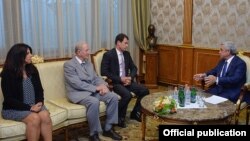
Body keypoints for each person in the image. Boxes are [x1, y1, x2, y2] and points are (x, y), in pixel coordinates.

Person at [63, 42, 122, 141]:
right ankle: (94, 134)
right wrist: (96, 88)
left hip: (92, 91)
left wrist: (104, 86)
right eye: (86, 50)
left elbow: (95, 78)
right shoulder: (69, 65)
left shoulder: (89, 63)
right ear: (78, 52)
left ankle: (108, 128)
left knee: (113, 97)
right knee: (94, 102)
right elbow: (77, 84)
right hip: (78, 93)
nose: (89, 52)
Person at [0, 43, 52, 141]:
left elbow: (39, 90)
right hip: (14, 108)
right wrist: (30, 108)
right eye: (28, 53)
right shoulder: (7, 74)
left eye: (30, 52)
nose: (31, 55)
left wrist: (40, 102)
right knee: (35, 119)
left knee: (45, 115)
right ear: (19, 56)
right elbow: (9, 99)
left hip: (34, 105)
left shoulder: (32, 69)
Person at [101, 33, 149, 128]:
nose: (127, 45)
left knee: (145, 90)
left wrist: (130, 77)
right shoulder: (109, 55)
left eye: (127, 43)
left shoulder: (127, 54)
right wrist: (120, 79)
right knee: (127, 95)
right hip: (115, 83)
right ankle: (119, 117)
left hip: (127, 81)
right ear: (118, 43)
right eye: (125, 43)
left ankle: (135, 113)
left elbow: (134, 68)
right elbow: (104, 71)